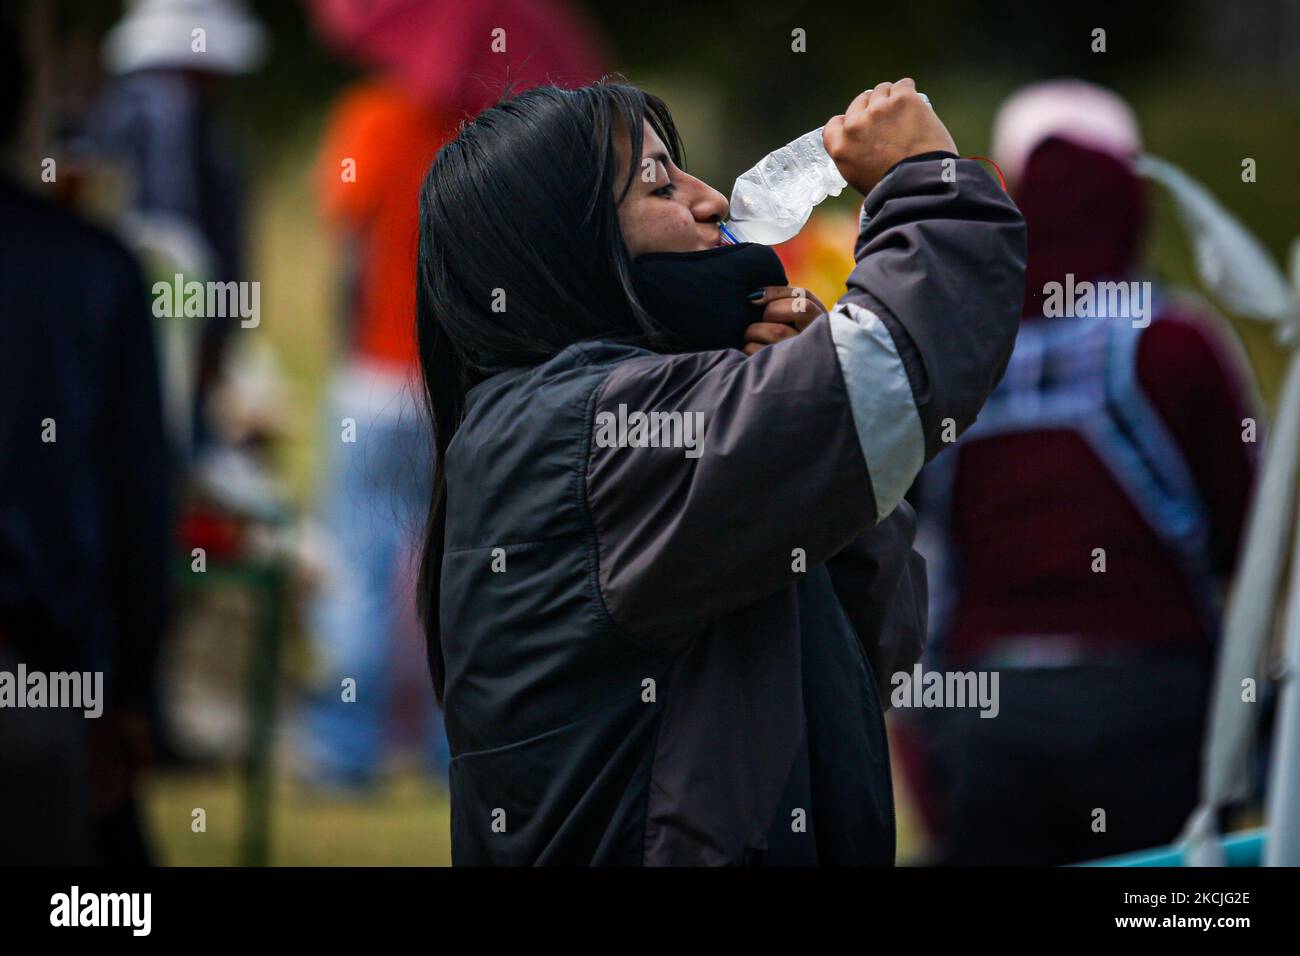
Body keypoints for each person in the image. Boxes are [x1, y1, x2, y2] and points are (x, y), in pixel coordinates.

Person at [414, 78, 1026, 865]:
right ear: (562, 251)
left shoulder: (603, 423)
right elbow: (890, 375)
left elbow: (878, 650)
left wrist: (801, 436)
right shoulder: (586, 437)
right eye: (660, 185)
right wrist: (925, 184)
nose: (710, 202)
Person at [910, 81, 1260, 865]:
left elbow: (911, 534)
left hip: (985, 709)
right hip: (1155, 703)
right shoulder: (1178, 343)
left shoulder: (958, 350)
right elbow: (1247, 535)